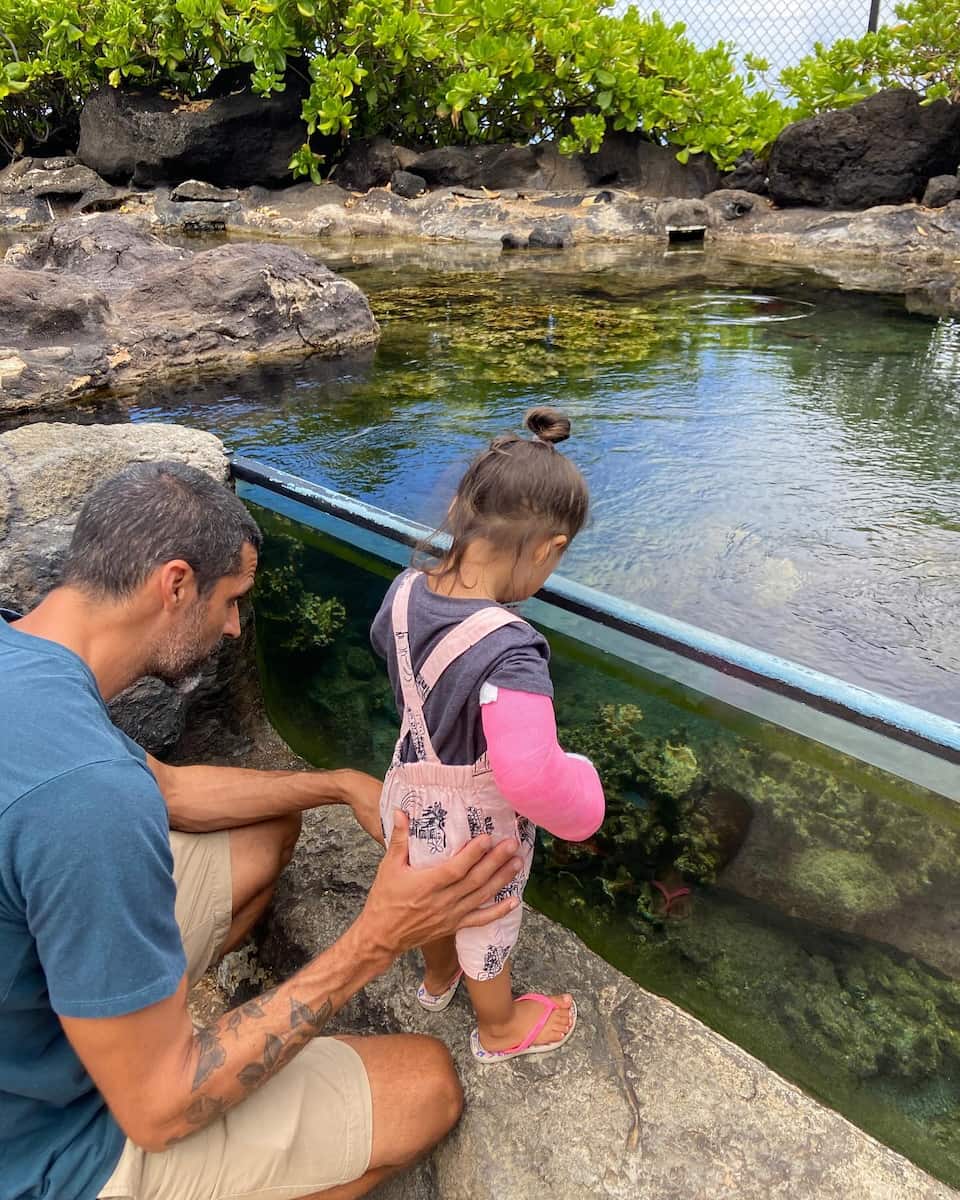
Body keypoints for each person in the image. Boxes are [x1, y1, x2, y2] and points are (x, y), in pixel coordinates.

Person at [0, 461, 525, 1200]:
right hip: (46, 1151)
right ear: (175, 583)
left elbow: (171, 790)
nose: (234, 627)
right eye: (231, 600)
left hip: (30, 1018)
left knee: (262, 830)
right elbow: (158, 1111)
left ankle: (127, 1025)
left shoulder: (24, 662)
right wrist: (379, 934)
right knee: (426, 1084)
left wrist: (336, 785)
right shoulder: (88, 799)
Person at [371, 407, 606, 1064]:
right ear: (550, 548)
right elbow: (529, 775)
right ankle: (498, 1027)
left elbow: (395, 666)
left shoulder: (403, 591)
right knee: (485, 913)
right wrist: (585, 797)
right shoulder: (514, 652)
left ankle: (437, 977)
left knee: (427, 888)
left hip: (408, 796)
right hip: (476, 827)